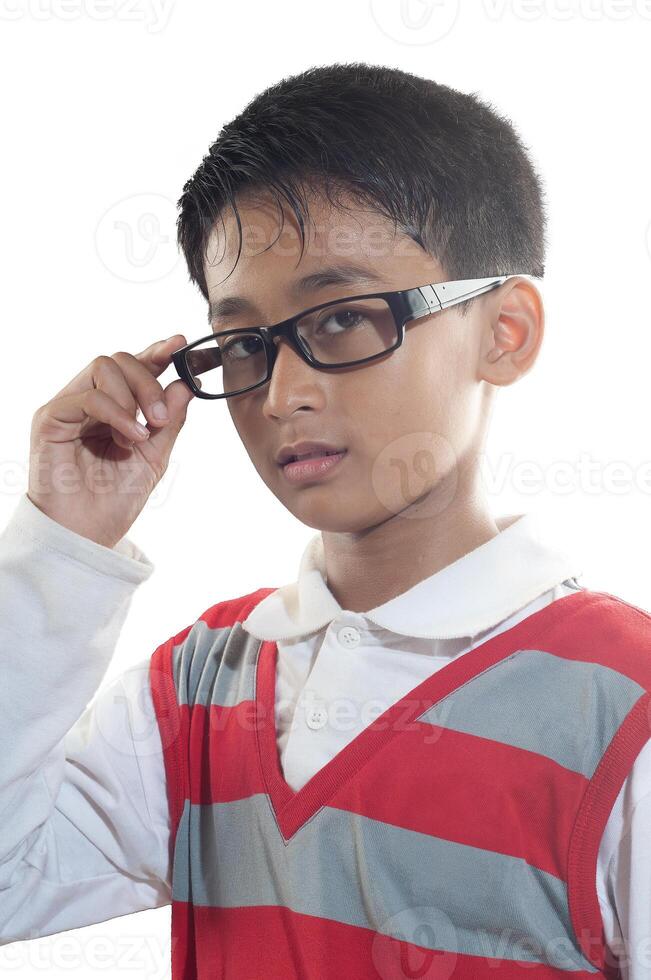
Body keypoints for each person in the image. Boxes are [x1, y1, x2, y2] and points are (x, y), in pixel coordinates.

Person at [1, 62, 650, 978]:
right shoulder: (195, 686)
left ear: (503, 332)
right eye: (244, 344)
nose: (284, 395)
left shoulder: (623, 703)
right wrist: (61, 545)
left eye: (343, 319)